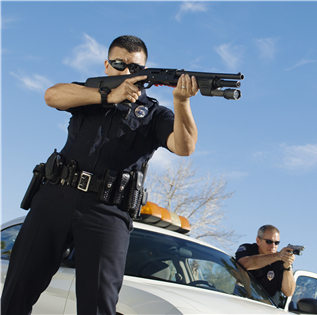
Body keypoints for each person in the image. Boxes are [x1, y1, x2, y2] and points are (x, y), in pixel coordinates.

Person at [1, 35, 199, 315]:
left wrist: (182, 103)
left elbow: (184, 146)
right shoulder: (89, 94)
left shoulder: (155, 114)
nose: (126, 72)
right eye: (119, 64)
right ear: (107, 65)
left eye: (134, 67)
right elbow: (52, 95)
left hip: (107, 212)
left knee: (98, 305)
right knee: (16, 293)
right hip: (55, 197)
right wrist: (107, 95)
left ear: (145, 71)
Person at [235, 224, 296, 302]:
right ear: (258, 241)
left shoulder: (281, 260)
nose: (273, 246)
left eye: (277, 243)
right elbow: (244, 264)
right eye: (269, 242)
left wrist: (287, 267)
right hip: (242, 301)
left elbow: (289, 292)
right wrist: (277, 256)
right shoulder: (248, 249)